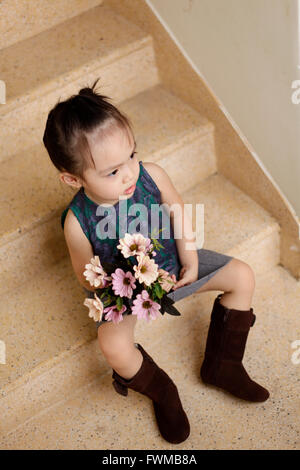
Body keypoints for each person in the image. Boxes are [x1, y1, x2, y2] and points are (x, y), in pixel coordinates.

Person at [43, 77, 269, 445]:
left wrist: (191, 260)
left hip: (176, 267)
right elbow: (87, 276)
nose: (130, 172)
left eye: (131, 155)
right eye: (112, 171)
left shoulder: (152, 176)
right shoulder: (76, 223)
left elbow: (179, 215)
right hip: (129, 293)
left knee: (242, 276)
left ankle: (223, 365)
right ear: (72, 178)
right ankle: (164, 392)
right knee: (113, 346)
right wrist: (115, 283)